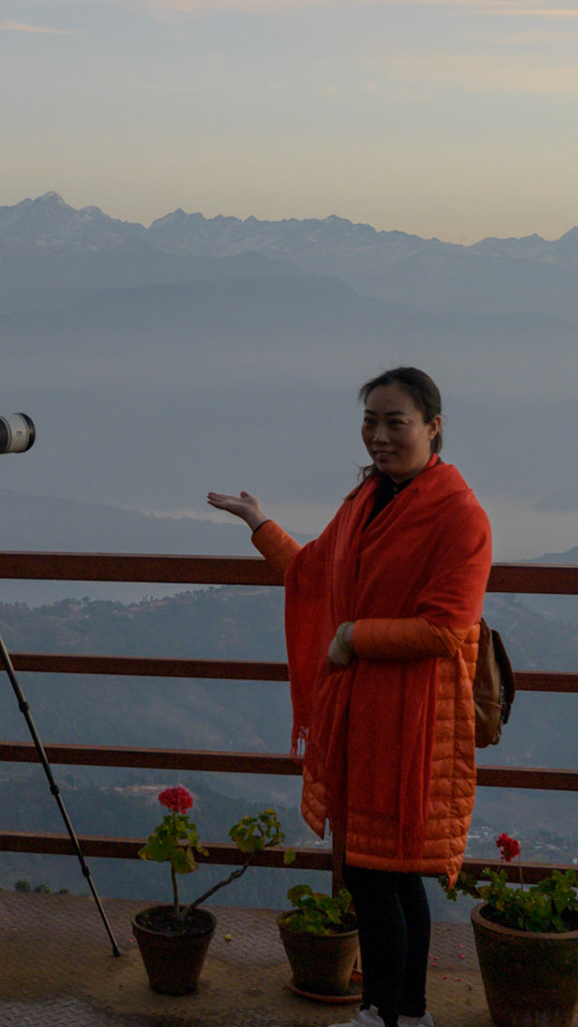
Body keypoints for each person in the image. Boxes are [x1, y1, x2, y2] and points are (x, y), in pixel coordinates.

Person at [208, 367, 490, 1027]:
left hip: (412, 718)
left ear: (433, 427)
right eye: (371, 421)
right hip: (363, 714)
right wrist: (260, 524)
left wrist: (353, 637)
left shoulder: (460, 515)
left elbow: (448, 628)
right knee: (391, 872)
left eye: (397, 422)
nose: (381, 436)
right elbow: (314, 571)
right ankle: (406, 1014)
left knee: (373, 872)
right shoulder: (368, 500)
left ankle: (381, 1014)